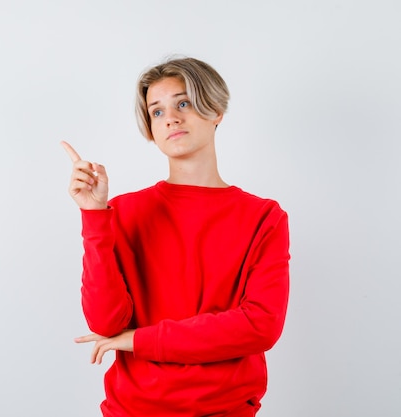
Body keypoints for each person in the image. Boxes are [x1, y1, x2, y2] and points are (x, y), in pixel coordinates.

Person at [61, 56, 290, 417]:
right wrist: (93, 216)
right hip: (132, 409)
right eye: (156, 111)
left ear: (216, 110)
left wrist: (139, 341)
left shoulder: (263, 217)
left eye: (183, 103)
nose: (171, 118)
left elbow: (259, 326)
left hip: (225, 410)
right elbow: (106, 323)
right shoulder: (122, 212)